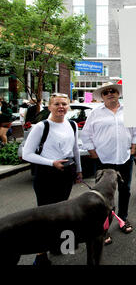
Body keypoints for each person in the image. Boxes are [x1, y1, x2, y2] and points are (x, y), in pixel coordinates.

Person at [22, 93, 82, 265]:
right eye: (57, 104)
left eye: (64, 103)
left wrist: (79, 170)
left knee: (63, 211)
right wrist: (51, 163)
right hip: (46, 175)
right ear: (50, 107)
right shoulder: (41, 126)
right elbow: (27, 154)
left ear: (68, 107)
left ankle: (62, 245)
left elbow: (75, 149)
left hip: (66, 172)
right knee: (45, 216)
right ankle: (40, 255)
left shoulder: (72, 125)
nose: (61, 107)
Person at [81, 82, 136, 245]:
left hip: (124, 158)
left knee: (125, 189)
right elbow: (86, 135)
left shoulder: (129, 111)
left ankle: (123, 218)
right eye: (106, 92)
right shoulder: (95, 113)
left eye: (112, 91)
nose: (109, 94)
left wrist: (134, 146)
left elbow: (135, 130)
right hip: (103, 160)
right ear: (102, 96)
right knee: (103, 195)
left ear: (118, 93)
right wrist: (93, 152)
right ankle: (102, 226)